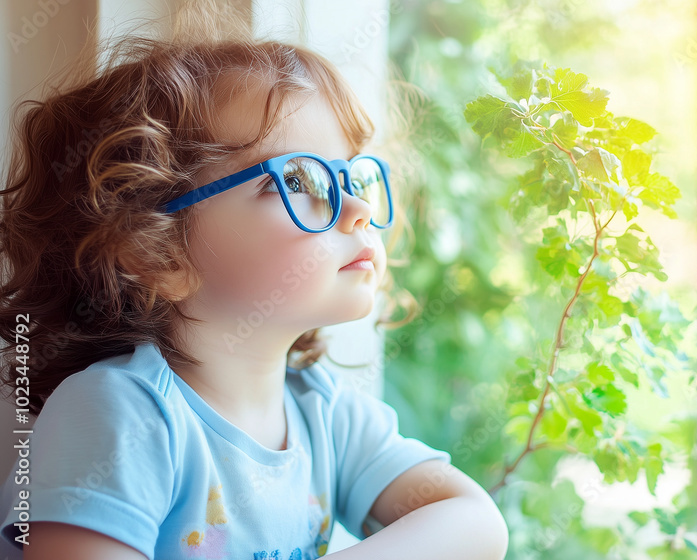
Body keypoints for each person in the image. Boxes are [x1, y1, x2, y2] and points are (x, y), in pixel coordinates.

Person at [0, 17, 508, 560]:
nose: (359, 211)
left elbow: (474, 523)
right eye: (295, 180)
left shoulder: (322, 412)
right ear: (158, 254)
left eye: (350, 178)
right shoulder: (119, 415)